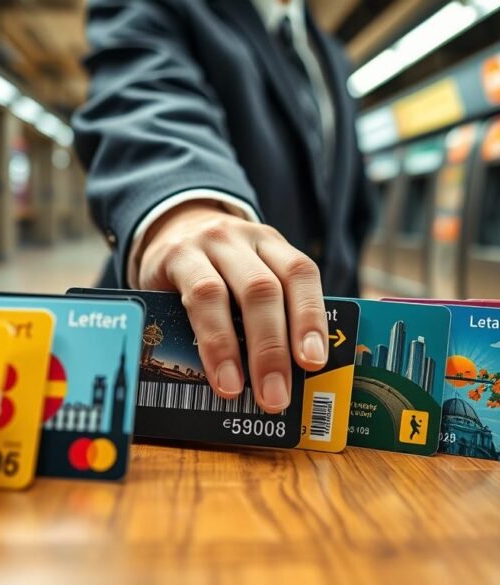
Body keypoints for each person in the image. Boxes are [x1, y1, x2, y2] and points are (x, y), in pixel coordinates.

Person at [74, 0, 373, 414]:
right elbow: (143, 96)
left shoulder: (331, 56)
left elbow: (344, 217)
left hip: (304, 388)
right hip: (176, 376)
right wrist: (183, 209)